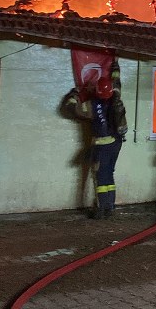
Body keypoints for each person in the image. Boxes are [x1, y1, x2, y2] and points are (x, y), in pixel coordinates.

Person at [64, 61, 128, 219]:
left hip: (101, 145)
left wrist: (74, 94)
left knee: (100, 177)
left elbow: (71, 108)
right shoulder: (116, 97)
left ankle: (101, 209)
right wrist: (115, 68)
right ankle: (110, 206)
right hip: (116, 143)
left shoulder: (92, 106)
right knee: (109, 174)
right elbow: (117, 81)